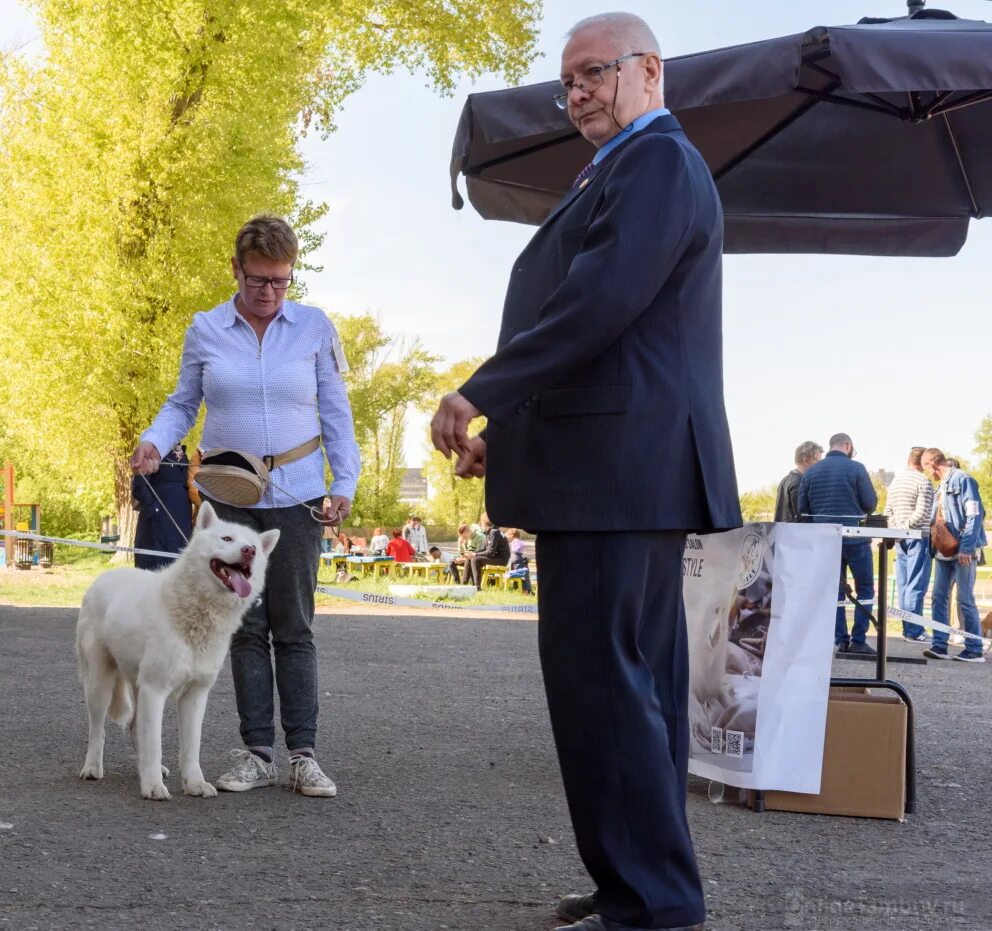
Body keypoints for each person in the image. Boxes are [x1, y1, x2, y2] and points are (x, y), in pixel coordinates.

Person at [430, 14, 739, 931]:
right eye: (567, 81)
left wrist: (481, 393)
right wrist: (512, 436)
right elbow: (607, 335)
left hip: (617, 477)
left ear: (651, 72)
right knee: (626, 692)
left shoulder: (656, 164)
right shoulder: (628, 168)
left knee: (607, 691)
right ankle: (640, 887)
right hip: (613, 469)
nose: (577, 93)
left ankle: (651, 902)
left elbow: (597, 302)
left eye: (595, 72)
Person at [131, 214, 359, 798]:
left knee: (295, 625)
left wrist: (344, 483)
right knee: (245, 627)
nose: (269, 292)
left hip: (299, 494)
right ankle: (256, 751)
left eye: (281, 281)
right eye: (258, 280)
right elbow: (183, 402)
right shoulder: (206, 328)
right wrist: (156, 439)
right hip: (228, 499)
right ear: (236, 270)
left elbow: (336, 412)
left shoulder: (314, 329)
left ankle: (303, 754)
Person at [798, 433, 878, 654]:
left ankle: (840, 640)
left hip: (825, 540)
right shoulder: (857, 469)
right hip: (856, 540)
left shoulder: (811, 472)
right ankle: (859, 640)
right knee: (865, 589)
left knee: (834, 592)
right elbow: (870, 503)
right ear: (848, 446)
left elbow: (802, 509)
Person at [920, 448, 986, 662]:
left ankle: (974, 648)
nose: (927, 473)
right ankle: (939, 645)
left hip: (963, 552)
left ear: (932, 463)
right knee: (939, 597)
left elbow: (974, 515)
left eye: (926, 468)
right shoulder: (941, 486)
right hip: (943, 552)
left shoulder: (963, 480)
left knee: (965, 598)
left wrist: (966, 548)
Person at [884, 446, 935, 642]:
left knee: (904, 585)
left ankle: (908, 629)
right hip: (917, 537)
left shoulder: (896, 481)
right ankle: (915, 631)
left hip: (899, 539)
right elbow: (923, 513)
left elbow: (888, 511)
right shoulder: (923, 482)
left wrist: (898, 531)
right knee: (916, 585)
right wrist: (906, 529)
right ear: (923, 462)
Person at [130, 443, 193, 571]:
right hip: (157, 522)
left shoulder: (185, 455)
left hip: (181, 520)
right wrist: (154, 509)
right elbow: (140, 485)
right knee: (156, 567)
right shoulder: (154, 451)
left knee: (179, 567)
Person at [774, 440, 823, 523]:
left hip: (781, 532)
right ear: (806, 460)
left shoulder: (784, 480)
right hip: (794, 533)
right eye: (817, 461)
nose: (820, 465)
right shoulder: (799, 483)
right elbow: (802, 517)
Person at [464, 512, 509, 587]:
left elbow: (490, 552)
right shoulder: (490, 532)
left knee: (475, 559)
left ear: (484, 522)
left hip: (501, 560)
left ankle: (477, 586)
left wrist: (475, 554)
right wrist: (471, 553)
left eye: (481, 522)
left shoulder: (494, 532)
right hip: (495, 557)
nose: (480, 525)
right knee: (470, 558)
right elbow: (483, 548)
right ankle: (464, 584)